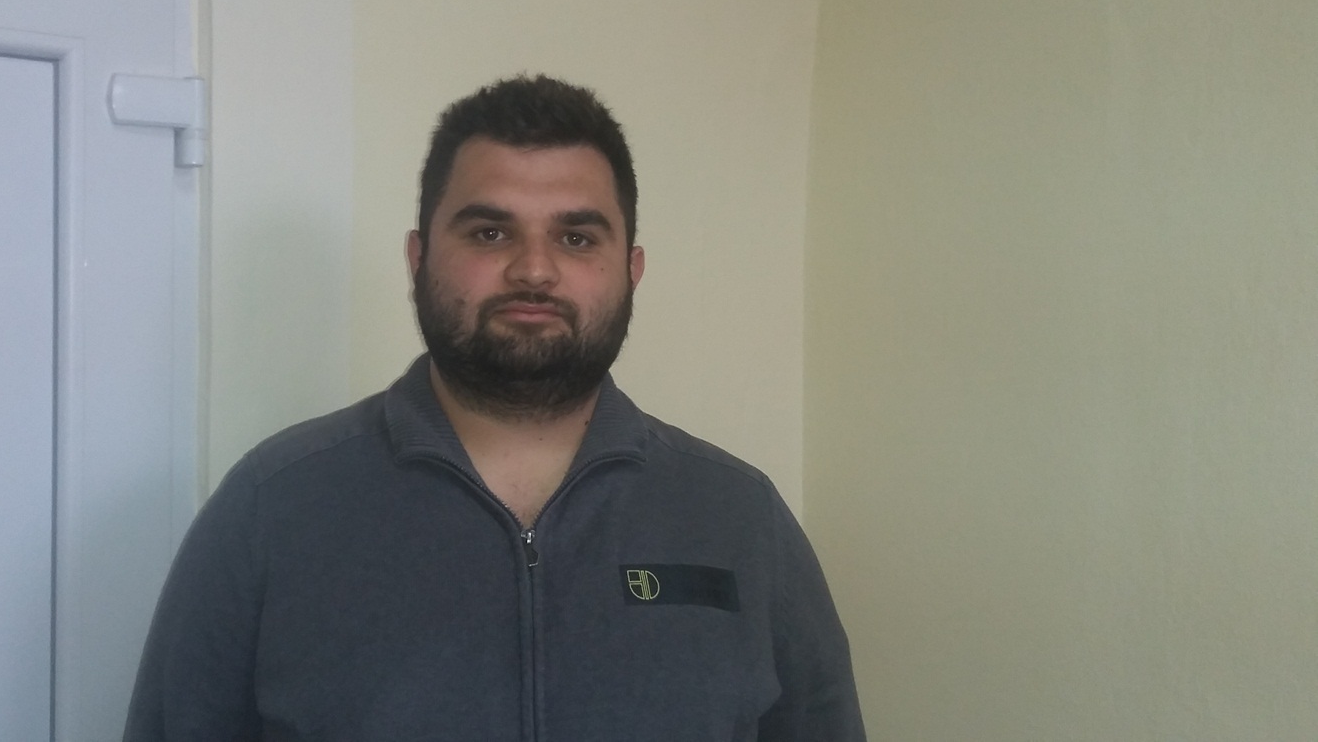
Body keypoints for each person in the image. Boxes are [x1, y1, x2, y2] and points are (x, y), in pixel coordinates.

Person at [123, 75, 865, 741]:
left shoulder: (740, 520)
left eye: (576, 237)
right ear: (418, 259)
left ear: (631, 271)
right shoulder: (272, 508)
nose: (534, 269)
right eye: (489, 232)